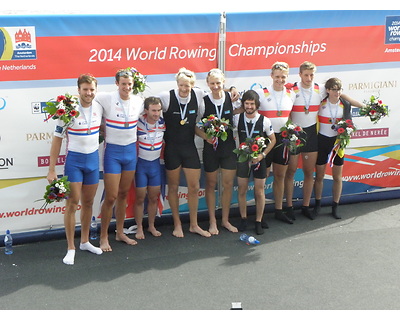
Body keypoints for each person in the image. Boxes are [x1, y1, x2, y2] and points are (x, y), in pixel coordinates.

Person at [285, 62, 365, 220]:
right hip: (295, 134)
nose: (309, 78)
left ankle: (307, 206)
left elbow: (341, 95)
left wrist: (364, 106)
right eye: (306, 74)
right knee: (291, 172)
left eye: (311, 75)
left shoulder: (321, 88)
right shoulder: (291, 89)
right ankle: (288, 207)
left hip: (312, 136)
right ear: (300, 74)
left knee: (310, 173)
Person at [47, 74, 103, 265]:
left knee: (88, 202)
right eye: (85, 89)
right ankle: (71, 247)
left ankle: (85, 241)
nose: (89, 93)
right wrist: (51, 169)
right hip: (75, 162)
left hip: (93, 161)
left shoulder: (99, 107)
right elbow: (56, 141)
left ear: (96, 90)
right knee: (72, 203)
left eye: (92, 89)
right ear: (78, 90)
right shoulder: (68, 110)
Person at [157, 68, 211, 238]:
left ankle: (194, 224)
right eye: (181, 85)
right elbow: (149, 107)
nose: (184, 89)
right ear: (177, 84)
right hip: (172, 149)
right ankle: (177, 224)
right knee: (173, 187)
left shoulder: (198, 94)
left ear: (193, 85)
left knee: (194, 187)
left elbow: (218, 91)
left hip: (189, 148)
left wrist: (207, 137)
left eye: (187, 86)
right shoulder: (166, 97)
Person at [96, 68, 144, 251]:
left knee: (123, 195)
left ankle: (120, 232)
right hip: (113, 153)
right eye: (123, 84)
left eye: (129, 84)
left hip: (131, 152)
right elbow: (86, 98)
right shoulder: (107, 98)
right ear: (117, 84)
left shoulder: (139, 101)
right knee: (111, 196)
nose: (126, 87)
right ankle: (103, 237)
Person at [195, 68, 240, 235]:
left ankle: (225, 220)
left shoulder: (231, 98)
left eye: (218, 83)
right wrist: (205, 136)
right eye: (212, 83)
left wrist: (233, 89)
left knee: (228, 184)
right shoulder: (203, 101)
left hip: (228, 147)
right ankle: (212, 221)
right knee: (211, 184)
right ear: (207, 84)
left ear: (224, 83)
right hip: (210, 148)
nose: (215, 86)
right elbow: (195, 126)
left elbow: (245, 106)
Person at [255, 62, 296, 224]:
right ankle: (261, 215)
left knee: (280, 175)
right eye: (277, 76)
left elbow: (291, 116)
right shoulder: (261, 93)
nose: (280, 80)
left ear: (287, 77)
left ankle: (279, 210)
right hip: (265, 139)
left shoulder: (291, 94)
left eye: (283, 77)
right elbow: (243, 102)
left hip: (283, 139)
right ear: (271, 76)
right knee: (263, 176)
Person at [235, 90, 276, 235]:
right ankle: (244, 218)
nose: (249, 106)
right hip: (243, 159)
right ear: (243, 104)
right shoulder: (237, 118)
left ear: (257, 104)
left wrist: (262, 155)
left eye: (252, 104)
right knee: (242, 190)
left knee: (259, 191)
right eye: (247, 103)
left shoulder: (264, 120)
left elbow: (273, 140)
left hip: (259, 159)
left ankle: (258, 220)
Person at [314, 78, 352, 219]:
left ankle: (335, 206)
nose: (337, 92)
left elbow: (349, 123)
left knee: (337, 177)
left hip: (337, 143)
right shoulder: (321, 103)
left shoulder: (345, 104)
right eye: (334, 89)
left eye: (339, 89)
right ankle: (317, 205)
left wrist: (347, 130)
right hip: (322, 141)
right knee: (319, 176)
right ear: (328, 90)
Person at [134, 97, 166, 239]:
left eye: (159, 110)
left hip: (155, 165)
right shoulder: (138, 123)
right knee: (140, 198)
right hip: (141, 165)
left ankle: (151, 225)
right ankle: (139, 227)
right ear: (146, 110)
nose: (156, 113)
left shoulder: (163, 123)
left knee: (153, 197)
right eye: (153, 110)